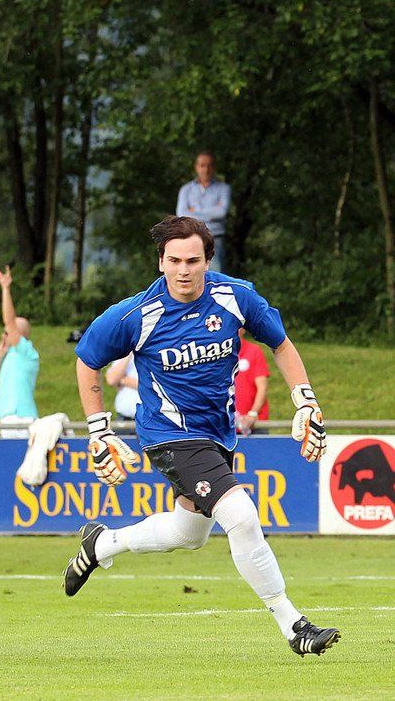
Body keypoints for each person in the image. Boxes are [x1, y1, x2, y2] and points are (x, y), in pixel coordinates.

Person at [66, 215, 339, 658]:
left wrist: (305, 401)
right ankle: (294, 625)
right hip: (169, 434)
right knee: (242, 516)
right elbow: (87, 360)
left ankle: (102, 543)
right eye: (174, 261)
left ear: (208, 261)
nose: (183, 270)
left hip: (218, 434)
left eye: (192, 260)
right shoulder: (135, 314)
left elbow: (281, 343)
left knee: (188, 533)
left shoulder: (236, 296)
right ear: (161, 262)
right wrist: (99, 429)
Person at [0, 266, 39, 438]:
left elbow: (9, 322)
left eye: (8, 332)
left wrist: (5, 289)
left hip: (22, 416)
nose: (5, 334)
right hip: (7, 416)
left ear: (20, 334)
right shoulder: (9, 354)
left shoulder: (28, 352)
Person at [176, 151, 231, 272]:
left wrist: (194, 211)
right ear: (196, 167)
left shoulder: (224, 188)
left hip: (214, 240)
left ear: (214, 167)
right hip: (190, 239)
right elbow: (181, 214)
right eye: (202, 165)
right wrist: (211, 213)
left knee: (215, 277)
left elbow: (221, 212)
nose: (206, 169)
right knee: (192, 276)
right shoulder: (186, 190)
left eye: (209, 165)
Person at [235, 329, 270, 435]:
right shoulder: (217, 355)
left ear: (243, 329)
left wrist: (252, 414)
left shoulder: (254, 351)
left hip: (255, 425)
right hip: (225, 427)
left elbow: (262, 388)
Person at [105, 354, 141, 422]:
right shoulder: (125, 353)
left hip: (148, 420)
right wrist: (129, 354)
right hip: (123, 417)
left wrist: (123, 380)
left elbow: (151, 385)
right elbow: (111, 379)